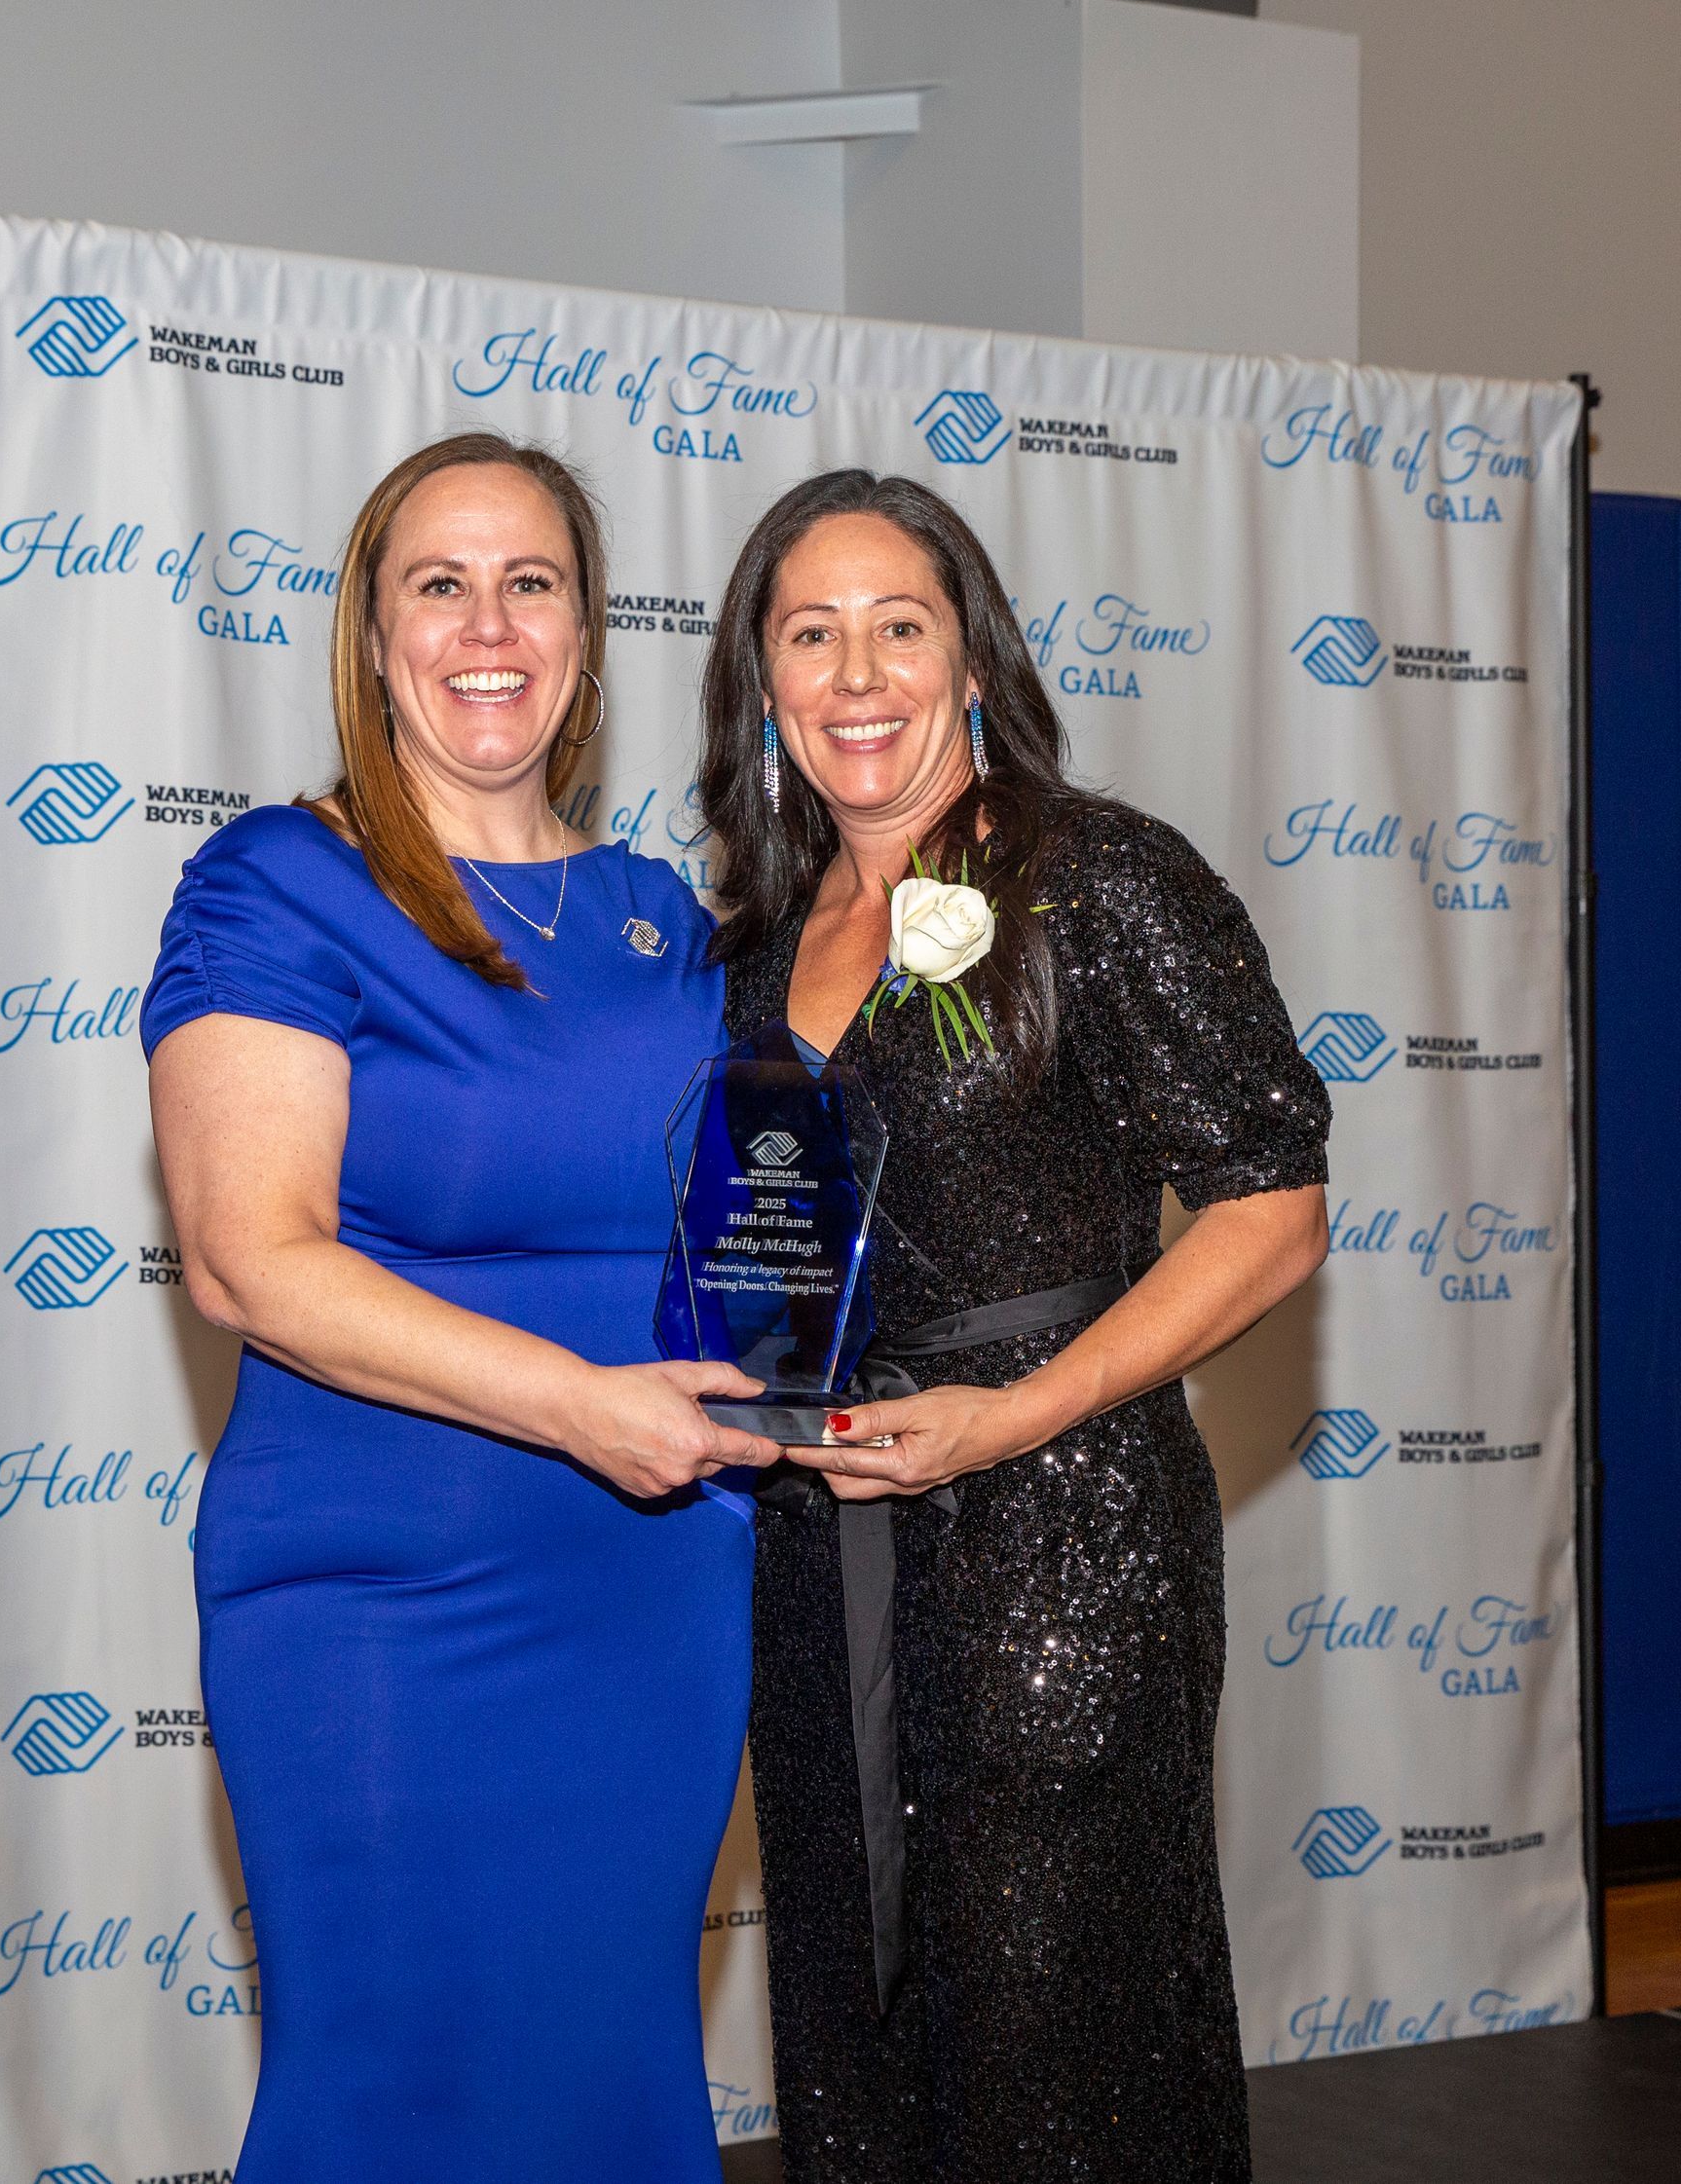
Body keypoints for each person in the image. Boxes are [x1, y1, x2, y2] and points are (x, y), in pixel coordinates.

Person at [141, 432, 776, 2184]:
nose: (489, 627)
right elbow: (250, 1261)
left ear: (586, 631)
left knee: (609, 2074)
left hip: (651, 1586)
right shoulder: (282, 882)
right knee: (394, 2089)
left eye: (531, 584)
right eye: (441, 584)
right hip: (380, 1599)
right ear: (374, 636)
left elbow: (757, 1232)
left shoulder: (661, 918)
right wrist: (581, 1405)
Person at [698, 469, 1331, 2182]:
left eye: (898, 626)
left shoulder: (1096, 879)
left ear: (971, 659)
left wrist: (1017, 1411)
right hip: (818, 1557)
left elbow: (1272, 1206)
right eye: (809, 634)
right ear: (763, 681)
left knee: (1064, 2053)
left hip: (1061, 1550)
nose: (856, 674)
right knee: (852, 2031)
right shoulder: (756, 944)